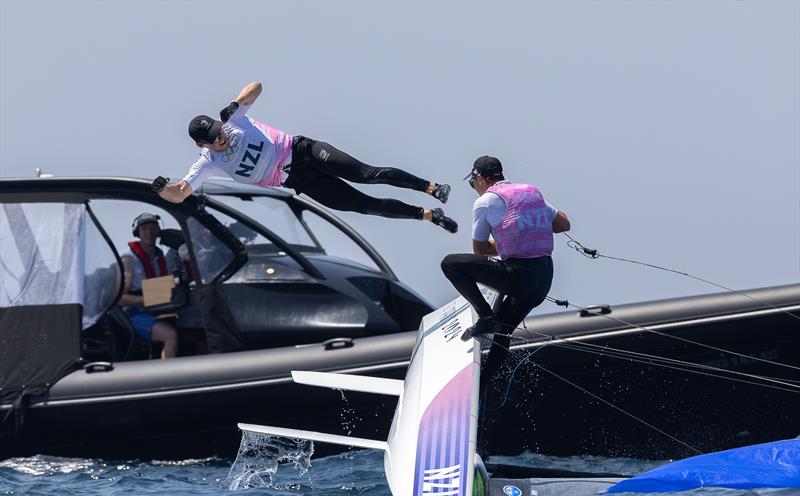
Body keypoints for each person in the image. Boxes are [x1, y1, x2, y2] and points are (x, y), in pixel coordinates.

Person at [153, 81, 457, 233]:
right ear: (201, 145)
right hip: (298, 181)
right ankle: (428, 215)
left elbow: (257, 87)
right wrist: (159, 189)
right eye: (214, 140)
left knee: (368, 174)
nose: (222, 138)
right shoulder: (208, 163)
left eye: (220, 131)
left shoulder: (233, 121)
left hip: (304, 152)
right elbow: (179, 194)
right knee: (365, 206)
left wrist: (235, 104)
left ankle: (431, 187)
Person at [440, 156, 571, 418]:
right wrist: (523, 233)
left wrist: (506, 241)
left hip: (518, 278)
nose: (474, 187)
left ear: (481, 178)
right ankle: (476, 397)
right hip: (543, 280)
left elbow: (478, 250)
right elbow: (563, 224)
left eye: (472, 182)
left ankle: (485, 316)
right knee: (502, 335)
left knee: (450, 264)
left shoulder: (486, 201)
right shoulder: (530, 192)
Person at [118, 213, 179, 359]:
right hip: (136, 314)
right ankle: (168, 378)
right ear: (137, 232)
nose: (149, 232)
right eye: (144, 228)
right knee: (170, 336)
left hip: (161, 311)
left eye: (152, 228)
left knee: (195, 334)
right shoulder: (129, 258)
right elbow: (120, 298)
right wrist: (150, 300)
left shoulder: (160, 258)